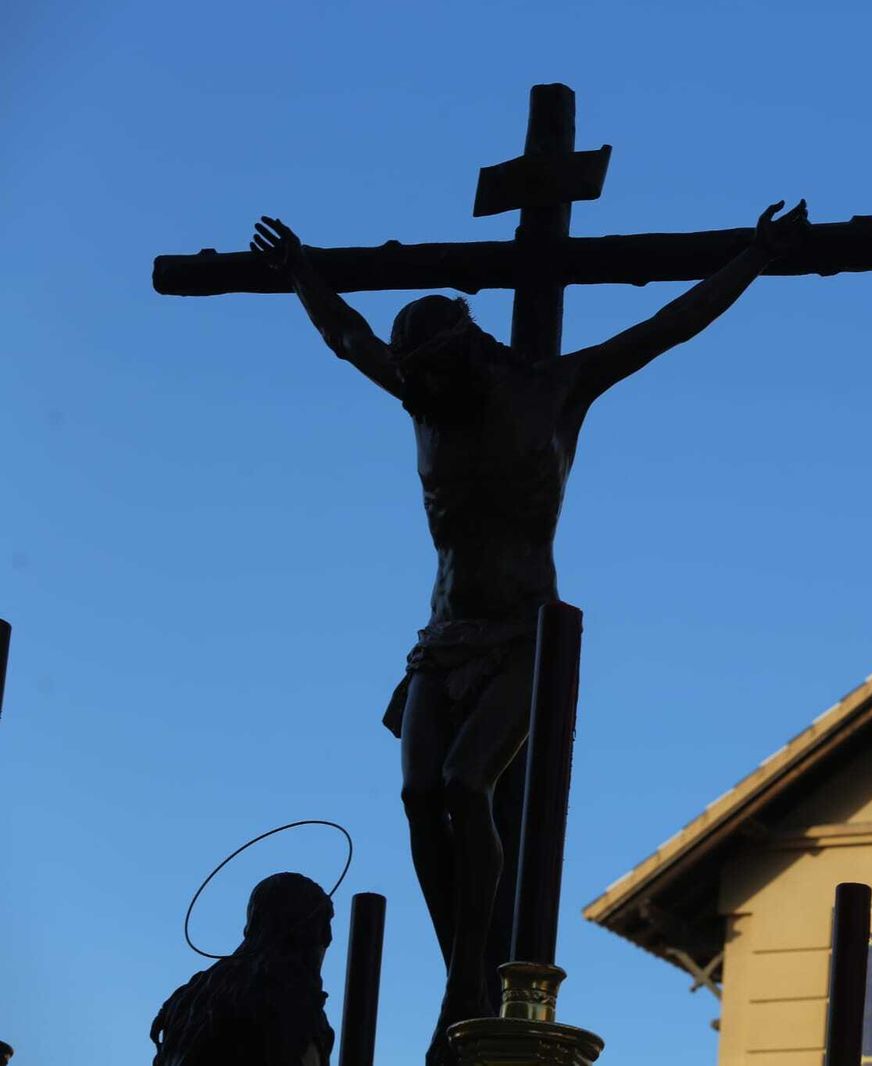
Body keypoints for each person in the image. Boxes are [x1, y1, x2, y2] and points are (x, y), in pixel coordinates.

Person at [250, 201, 810, 1058]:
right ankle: (464, 973)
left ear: (466, 347)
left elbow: (668, 326)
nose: (424, 394)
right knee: (417, 795)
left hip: (523, 638)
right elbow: (347, 337)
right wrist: (299, 273)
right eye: (417, 383)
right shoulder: (424, 399)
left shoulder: (554, 389)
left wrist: (756, 256)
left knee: (469, 784)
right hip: (442, 640)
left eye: (433, 376)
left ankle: (465, 974)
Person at [150, 873, 335, 1066]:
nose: (328, 939)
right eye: (322, 925)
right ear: (301, 931)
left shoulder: (190, 998)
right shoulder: (288, 999)